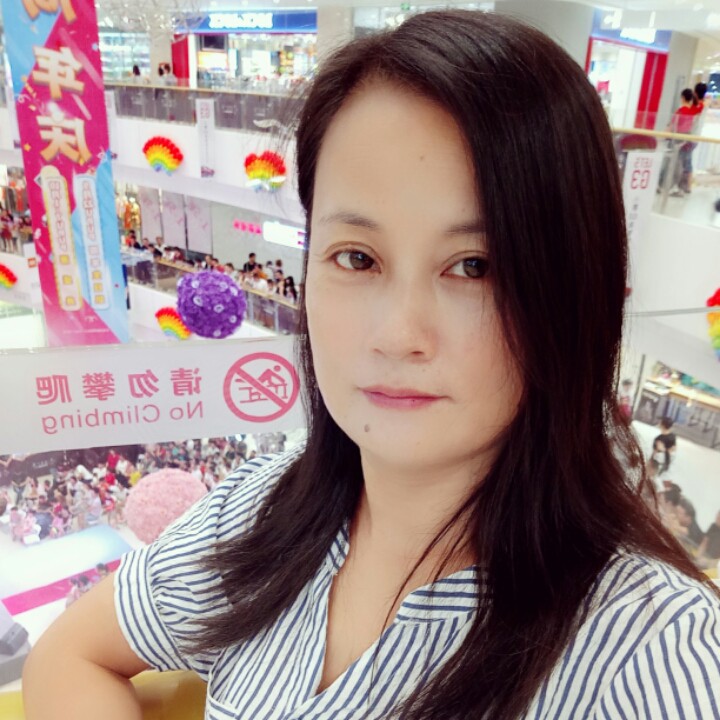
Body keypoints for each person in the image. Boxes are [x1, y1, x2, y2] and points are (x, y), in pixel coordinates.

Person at [22, 11, 720, 720]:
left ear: (571, 294)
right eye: (356, 258)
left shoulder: (652, 652)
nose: (397, 334)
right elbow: (69, 655)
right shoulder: (265, 510)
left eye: (474, 267)